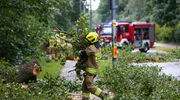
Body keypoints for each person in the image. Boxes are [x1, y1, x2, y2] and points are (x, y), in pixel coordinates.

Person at [77, 32, 109, 100]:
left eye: (88, 40)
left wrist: (79, 52)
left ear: (92, 40)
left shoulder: (91, 48)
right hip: (94, 70)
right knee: (85, 86)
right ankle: (85, 98)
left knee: (89, 86)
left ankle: (104, 95)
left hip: (90, 71)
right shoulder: (98, 48)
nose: (88, 42)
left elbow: (83, 54)